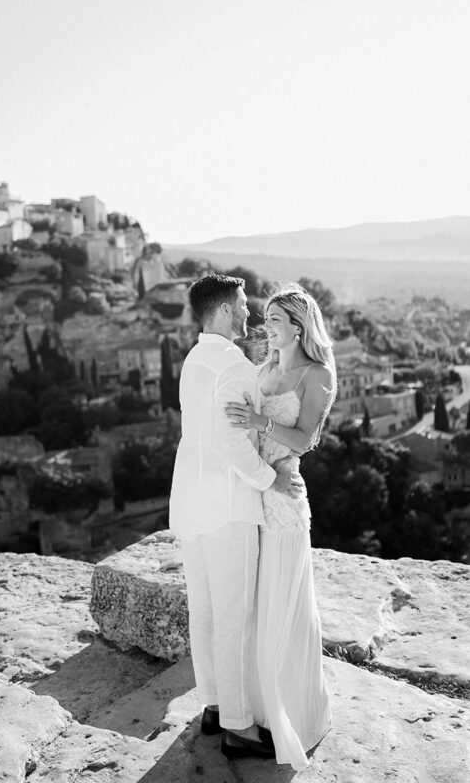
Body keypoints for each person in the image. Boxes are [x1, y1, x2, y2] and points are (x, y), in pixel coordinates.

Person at [169, 274, 303, 759]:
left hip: (190, 501)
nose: (249, 314)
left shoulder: (193, 359)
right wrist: (272, 481)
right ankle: (239, 728)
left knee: (204, 612)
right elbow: (231, 440)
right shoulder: (234, 364)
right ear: (225, 310)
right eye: (244, 306)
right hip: (227, 505)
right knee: (232, 616)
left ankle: (212, 704)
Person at [225, 282, 336, 770]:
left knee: (285, 604)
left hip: (286, 500)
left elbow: (307, 438)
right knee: (256, 602)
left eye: (272, 319)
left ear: (296, 325)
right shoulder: (266, 367)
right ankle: (257, 712)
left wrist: (260, 424)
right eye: (264, 318)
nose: (262, 326)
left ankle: (289, 715)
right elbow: (243, 422)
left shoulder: (318, 373)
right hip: (254, 493)